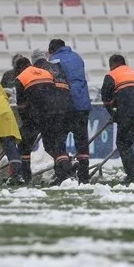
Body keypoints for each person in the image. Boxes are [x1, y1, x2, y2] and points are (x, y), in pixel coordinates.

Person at [15, 57, 74, 185]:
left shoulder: (21, 77)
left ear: (19, 68)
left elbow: (21, 106)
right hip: (55, 112)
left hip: (37, 113)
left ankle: (25, 176)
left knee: (24, 143)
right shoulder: (46, 72)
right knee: (52, 144)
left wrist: (27, 122)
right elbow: (54, 92)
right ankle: (67, 169)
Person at [101, 54, 134, 185]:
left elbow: (106, 98)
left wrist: (113, 114)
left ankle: (133, 174)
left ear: (112, 64)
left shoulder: (112, 74)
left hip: (130, 113)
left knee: (123, 142)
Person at [49, 39, 91, 184]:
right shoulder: (77, 57)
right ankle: (84, 175)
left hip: (66, 104)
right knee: (82, 140)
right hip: (83, 103)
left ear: (52, 50)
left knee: (58, 140)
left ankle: (64, 173)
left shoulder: (54, 60)